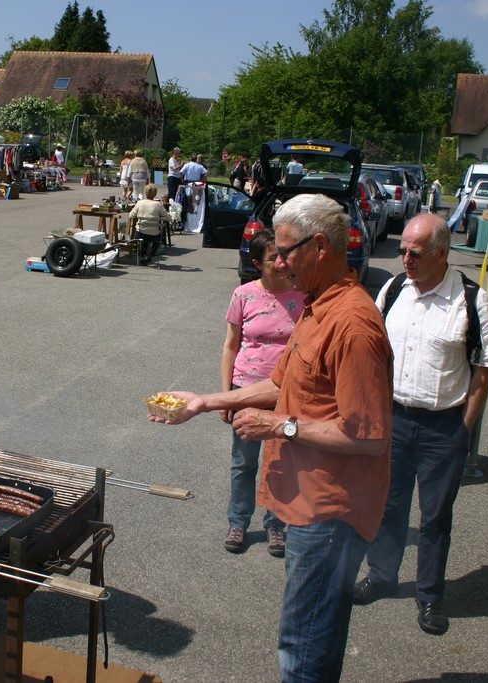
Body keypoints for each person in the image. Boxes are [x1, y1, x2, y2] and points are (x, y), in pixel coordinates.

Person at [148, 193, 394, 683]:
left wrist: (279, 426)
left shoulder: (352, 324)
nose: (277, 263)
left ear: (319, 246)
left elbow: (367, 437)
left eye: (284, 252)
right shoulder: (316, 305)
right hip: (305, 506)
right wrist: (205, 401)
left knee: (305, 645)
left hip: (329, 515)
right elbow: (280, 384)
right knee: (306, 636)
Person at [352, 213, 488, 637]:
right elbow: (372, 347)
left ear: (442, 253)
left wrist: (464, 429)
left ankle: (430, 595)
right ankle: (382, 576)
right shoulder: (394, 290)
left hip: (443, 427)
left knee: (435, 517)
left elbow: (485, 368)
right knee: (389, 505)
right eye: (402, 251)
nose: (406, 259)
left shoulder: (471, 300)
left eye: (415, 253)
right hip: (394, 420)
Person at [220, 229, 306, 558]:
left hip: (287, 393)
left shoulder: (302, 295)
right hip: (247, 389)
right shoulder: (243, 295)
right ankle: (238, 522)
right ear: (257, 263)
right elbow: (230, 346)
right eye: (274, 258)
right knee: (243, 463)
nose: (283, 263)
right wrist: (226, 395)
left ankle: (276, 524)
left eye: (284, 256)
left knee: (280, 462)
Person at [128, 184, 168, 264]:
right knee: (159, 235)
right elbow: (167, 217)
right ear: (155, 194)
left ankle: (143, 255)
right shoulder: (158, 205)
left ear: (145, 193)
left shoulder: (140, 203)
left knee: (143, 236)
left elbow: (131, 216)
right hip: (154, 235)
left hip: (141, 233)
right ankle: (151, 253)